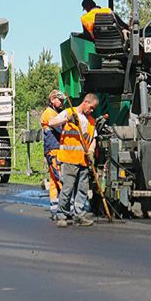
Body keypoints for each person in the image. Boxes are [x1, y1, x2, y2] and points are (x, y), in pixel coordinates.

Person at [47, 93, 99, 227]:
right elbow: (51, 122)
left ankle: (79, 215)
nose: (92, 110)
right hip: (69, 158)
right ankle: (61, 215)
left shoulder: (91, 121)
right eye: (91, 107)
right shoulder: (69, 112)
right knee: (67, 188)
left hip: (83, 160)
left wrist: (91, 151)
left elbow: (93, 139)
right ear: (86, 102)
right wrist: (67, 120)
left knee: (82, 189)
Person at [40, 90, 65, 219]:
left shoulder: (54, 112)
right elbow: (60, 129)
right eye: (59, 100)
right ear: (52, 100)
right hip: (54, 151)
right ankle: (64, 210)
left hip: (53, 151)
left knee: (54, 182)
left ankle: (55, 210)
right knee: (60, 180)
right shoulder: (49, 114)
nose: (62, 102)